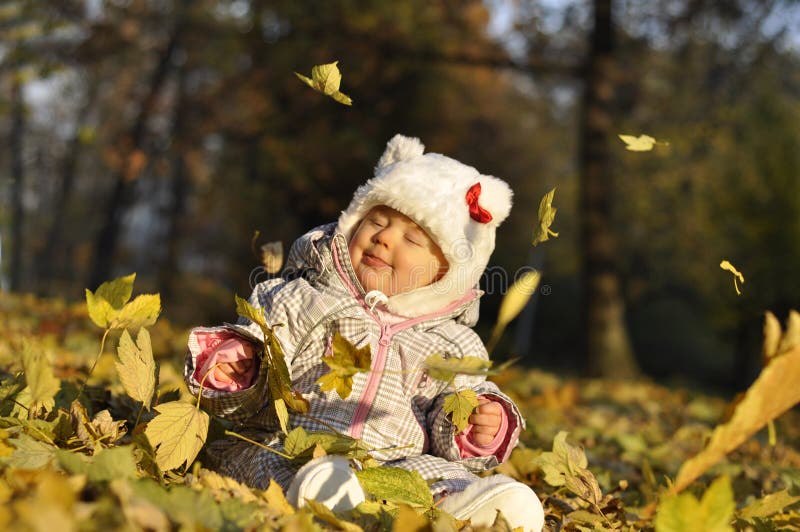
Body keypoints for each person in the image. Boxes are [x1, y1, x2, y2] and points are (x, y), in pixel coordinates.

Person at [184, 134, 545, 531]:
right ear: (353, 221)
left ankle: (469, 513)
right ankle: (327, 503)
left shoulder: (454, 344)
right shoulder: (302, 299)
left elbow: (451, 422)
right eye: (376, 221)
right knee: (265, 458)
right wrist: (237, 365)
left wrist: (477, 425)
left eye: (412, 239)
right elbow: (258, 352)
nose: (385, 237)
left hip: (397, 464)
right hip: (303, 443)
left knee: (439, 477)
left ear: (445, 274)